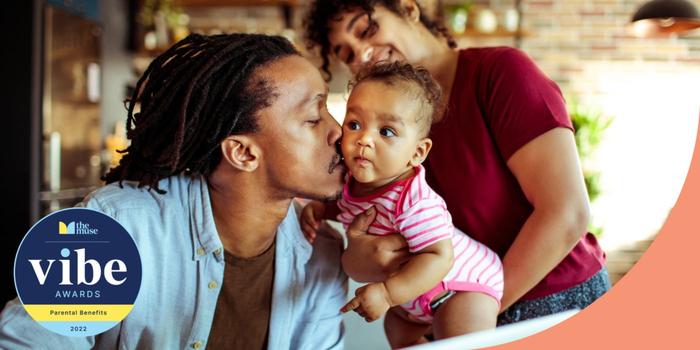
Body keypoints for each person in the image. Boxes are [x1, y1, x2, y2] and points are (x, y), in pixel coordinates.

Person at [0, 33, 350, 349]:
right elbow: (23, 342)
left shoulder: (323, 251)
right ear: (242, 153)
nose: (340, 133)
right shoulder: (116, 228)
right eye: (313, 119)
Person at [304, 0, 610, 325]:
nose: (363, 54)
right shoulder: (377, 136)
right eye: (347, 54)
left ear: (408, 8)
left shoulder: (500, 73)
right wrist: (363, 259)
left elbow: (567, 213)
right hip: (452, 310)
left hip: (555, 302)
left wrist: (474, 315)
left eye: (366, 30)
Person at [300, 62, 503, 347]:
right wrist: (322, 210)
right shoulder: (349, 182)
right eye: (354, 124)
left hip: (460, 286)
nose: (364, 140)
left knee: (457, 344)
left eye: (386, 132)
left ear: (417, 152)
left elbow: (439, 256)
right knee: (396, 332)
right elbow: (347, 205)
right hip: (409, 301)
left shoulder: (413, 200)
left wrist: (386, 294)